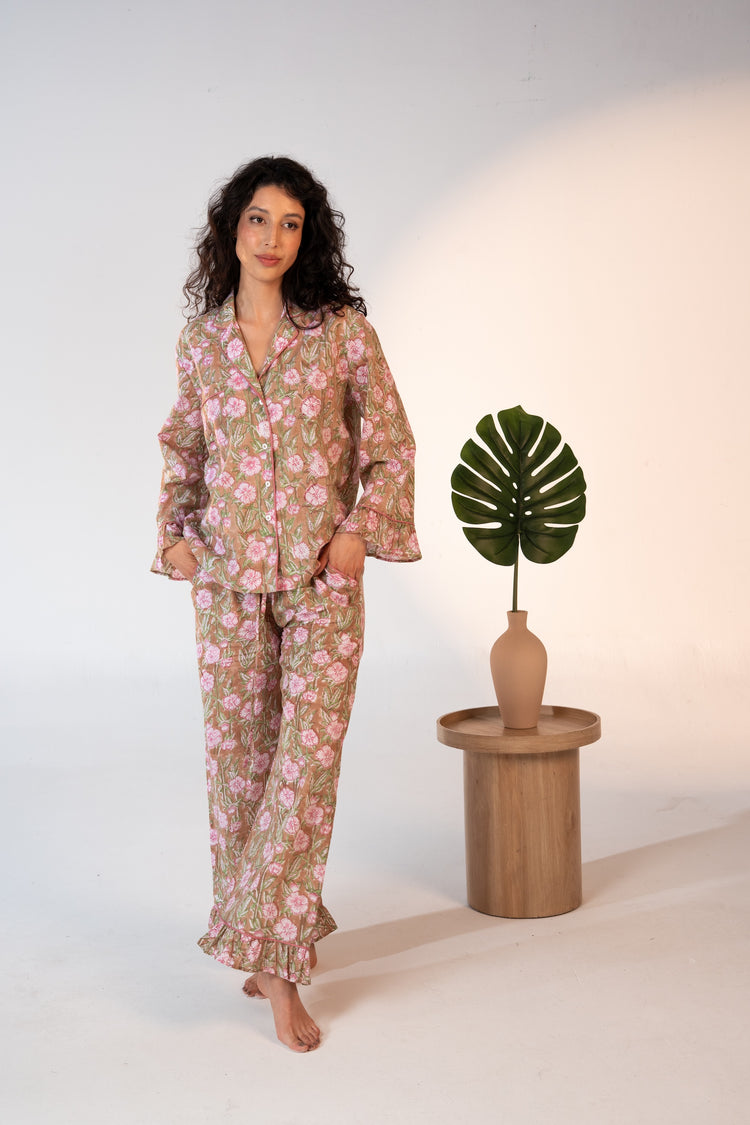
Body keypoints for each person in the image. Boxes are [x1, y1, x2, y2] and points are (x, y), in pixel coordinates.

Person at [152, 156, 420, 1052]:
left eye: (292, 224)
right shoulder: (200, 343)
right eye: (259, 219)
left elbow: (390, 444)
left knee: (302, 776)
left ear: (310, 238)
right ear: (232, 228)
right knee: (241, 776)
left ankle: (277, 972)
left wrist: (359, 530)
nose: (274, 238)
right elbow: (183, 449)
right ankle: (265, 943)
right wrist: (173, 533)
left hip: (318, 585)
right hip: (226, 584)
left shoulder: (341, 333)